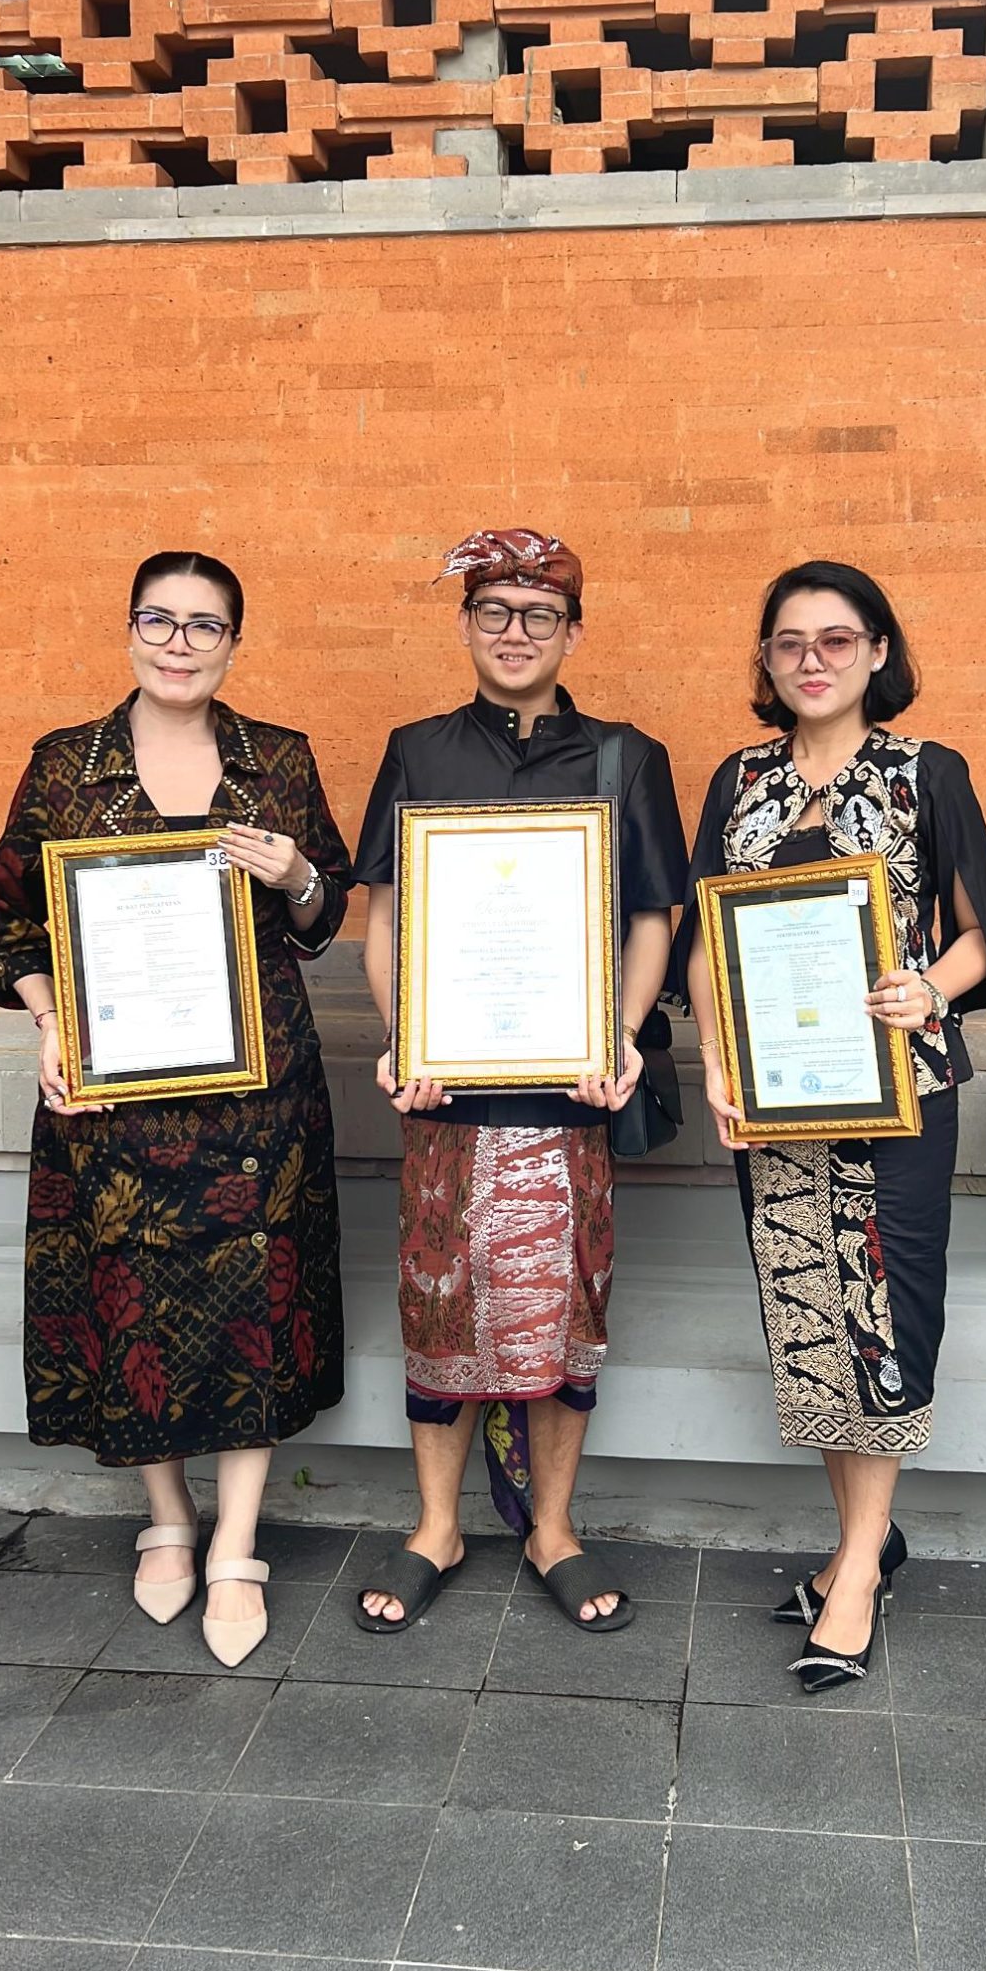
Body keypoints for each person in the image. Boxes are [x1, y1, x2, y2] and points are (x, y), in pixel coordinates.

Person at [0, 551, 351, 1667]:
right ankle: (169, 1516)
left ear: (235, 642)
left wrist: (295, 875)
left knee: (255, 1295)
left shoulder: (277, 759)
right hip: (116, 1096)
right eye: (160, 619)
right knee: (131, 1295)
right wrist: (52, 1022)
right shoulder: (66, 764)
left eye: (205, 624)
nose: (179, 643)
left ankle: (238, 1538)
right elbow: (6, 923)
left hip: (257, 1097)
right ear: (130, 629)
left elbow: (326, 914)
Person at [677, 560, 986, 1693]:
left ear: (877, 651)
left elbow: (980, 932)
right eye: (789, 642)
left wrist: (929, 987)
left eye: (835, 639)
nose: (811, 659)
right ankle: (862, 1544)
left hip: (899, 1099)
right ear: (767, 661)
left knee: (881, 1319)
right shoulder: (740, 780)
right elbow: (704, 938)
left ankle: (859, 1571)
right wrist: (716, 1060)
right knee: (812, 1326)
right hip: (776, 1101)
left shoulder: (928, 773)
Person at [353, 526, 687, 1633]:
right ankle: (435, 1526)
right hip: (446, 1094)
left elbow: (653, 916)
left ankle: (551, 1526)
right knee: (437, 1302)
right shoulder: (417, 750)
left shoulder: (626, 757)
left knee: (566, 1306)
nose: (514, 631)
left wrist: (620, 1037)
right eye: (493, 611)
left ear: (572, 632)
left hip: (570, 1092)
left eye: (539, 614)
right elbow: (386, 917)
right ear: (465, 625)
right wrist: (405, 1038)